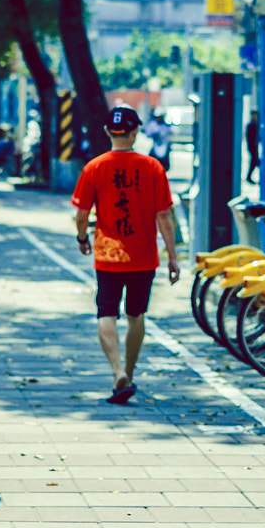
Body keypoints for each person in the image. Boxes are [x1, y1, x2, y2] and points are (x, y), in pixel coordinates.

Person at [72, 106, 180, 405]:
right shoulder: (153, 167)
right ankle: (128, 376)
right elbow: (165, 217)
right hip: (143, 257)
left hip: (108, 256)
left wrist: (82, 238)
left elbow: (82, 215)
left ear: (108, 132)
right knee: (136, 314)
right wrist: (172, 257)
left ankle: (117, 370)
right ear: (136, 133)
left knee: (106, 312)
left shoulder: (94, 167)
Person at [245, 112, 260, 183]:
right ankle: (249, 176)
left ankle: (249, 176)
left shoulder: (256, 124)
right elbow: (249, 136)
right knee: (255, 161)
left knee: (254, 161)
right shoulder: (250, 125)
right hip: (252, 146)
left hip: (254, 146)